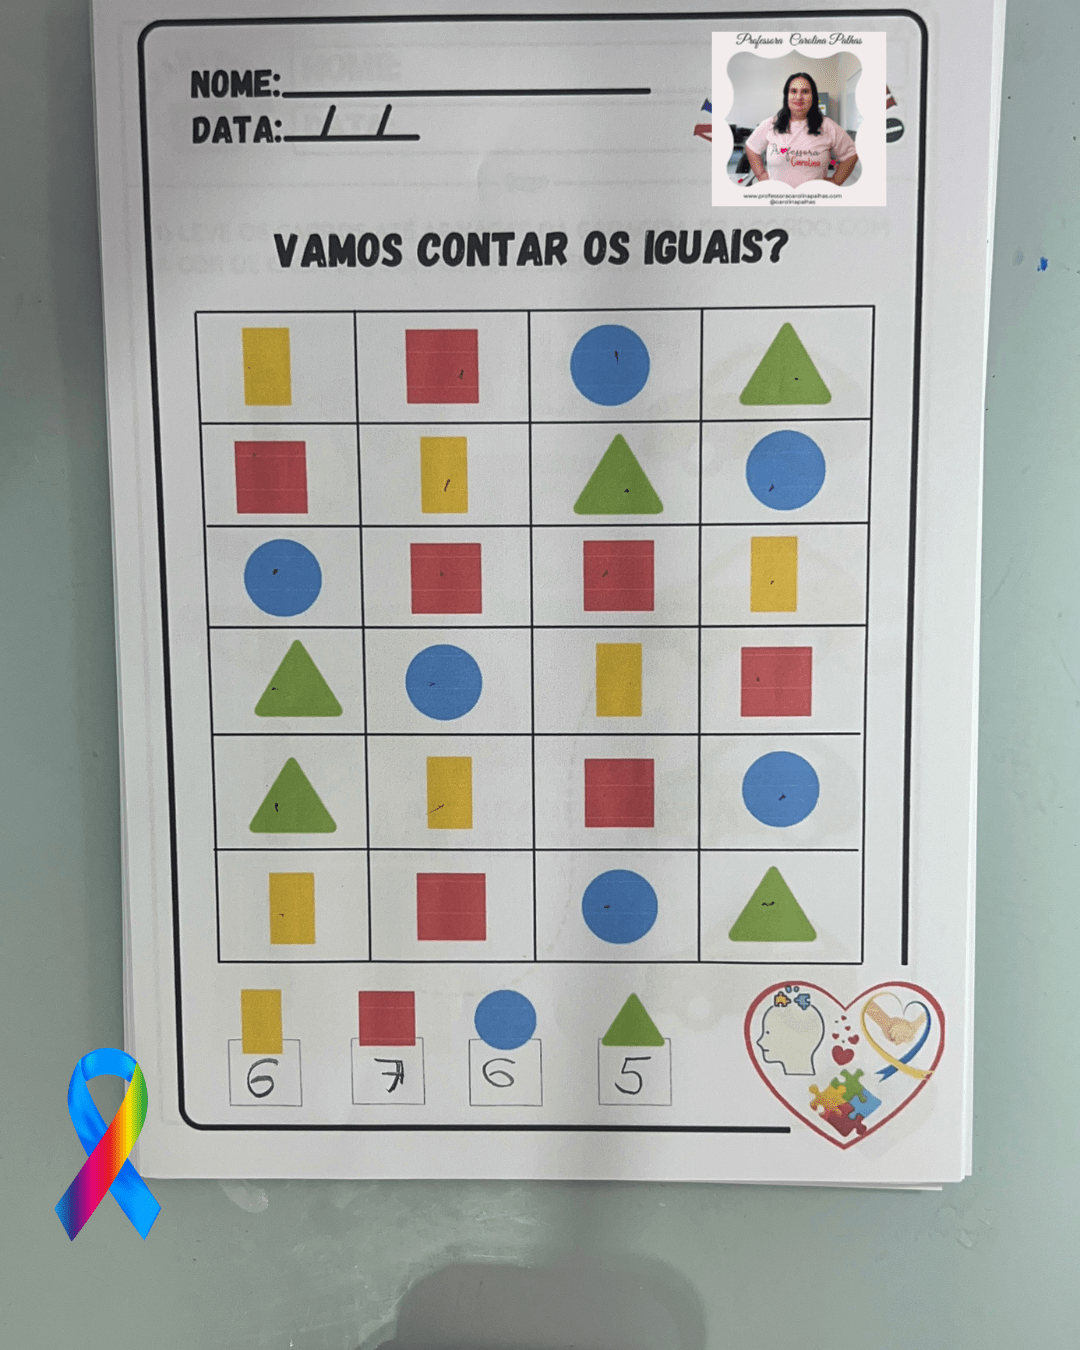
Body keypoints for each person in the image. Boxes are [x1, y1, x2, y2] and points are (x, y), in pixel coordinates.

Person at [744, 71, 858, 188]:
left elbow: (851, 154)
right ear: (787, 95)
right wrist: (761, 175)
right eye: (793, 91)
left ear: (813, 96)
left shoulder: (828, 126)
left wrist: (835, 181)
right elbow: (751, 147)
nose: (799, 97)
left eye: (805, 91)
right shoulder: (771, 124)